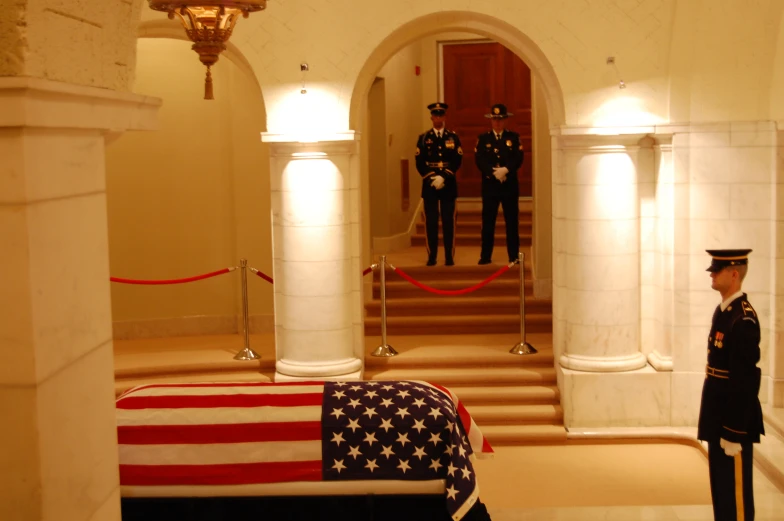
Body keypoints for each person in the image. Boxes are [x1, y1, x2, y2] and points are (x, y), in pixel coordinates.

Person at [698, 249, 765, 521]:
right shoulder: (724, 311)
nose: (712, 274)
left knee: (735, 496)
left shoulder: (743, 319)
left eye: (718, 270)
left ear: (734, 274)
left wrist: (734, 431)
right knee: (722, 493)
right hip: (718, 415)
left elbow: (745, 380)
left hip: (732, 421)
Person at [473, 103, 524, 265]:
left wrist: (506, 170)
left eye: (500, 119)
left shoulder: (513, 138)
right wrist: (493, 172)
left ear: (505, 120)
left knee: (512, 222)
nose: (497, 122)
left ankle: (514, 256)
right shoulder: (483, 139)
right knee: (488, 222)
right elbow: (479, 159)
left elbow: (518, 158)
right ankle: (486, 256)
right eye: (495, 119)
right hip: (490, 186)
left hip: (509, 185)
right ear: (491, 120)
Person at [415, 102, 463, 266]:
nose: (438, 118)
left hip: (448, 184)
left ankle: (449, 256)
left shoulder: (453, 137)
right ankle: (432, 255)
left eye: (441, 115)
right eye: (435, 115)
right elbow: (419, 162)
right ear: (431, 118)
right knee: (431, 222)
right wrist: (432, 178)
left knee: (449, 221)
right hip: (430, 185)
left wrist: (444, 177)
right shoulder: (423, 138)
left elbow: (457, 159)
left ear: (445, 117)